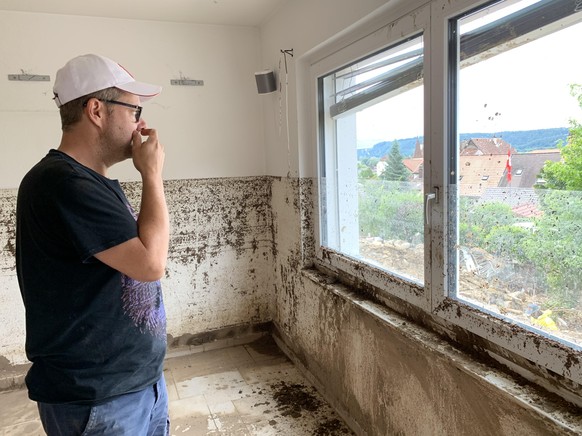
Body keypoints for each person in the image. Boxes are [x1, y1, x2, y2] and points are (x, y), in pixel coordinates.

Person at [15, 54, 170, 435]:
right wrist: (152, 174)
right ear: (97, 111)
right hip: (98, 400)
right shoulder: (63, 183)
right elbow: (151, 263)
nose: (142, 123)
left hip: (132, 387)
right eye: (134, 111)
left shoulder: (88, 183)